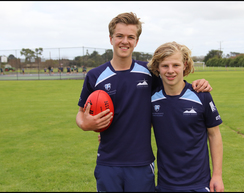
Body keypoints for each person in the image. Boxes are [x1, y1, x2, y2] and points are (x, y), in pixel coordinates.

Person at [76, 12, 212, 192]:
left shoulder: (149, 73)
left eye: (130, 37)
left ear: (136, 41)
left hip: (141, 163)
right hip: (108, 162)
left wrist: (198, 83)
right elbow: (80, 113)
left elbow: (174, 84)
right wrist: (85, 124)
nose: (125, 41)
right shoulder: (95, 76)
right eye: (120, 36)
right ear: (111, 39)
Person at [147, 41, 224, 192]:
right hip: (165, 184)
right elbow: (136, 127)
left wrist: (217, 175)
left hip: (199, 184)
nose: (170, 71)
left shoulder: (201, 96)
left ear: (185, 65)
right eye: (165, 66)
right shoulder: (151, 99)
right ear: (157, 68)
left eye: (176, 65)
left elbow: (214, 135)